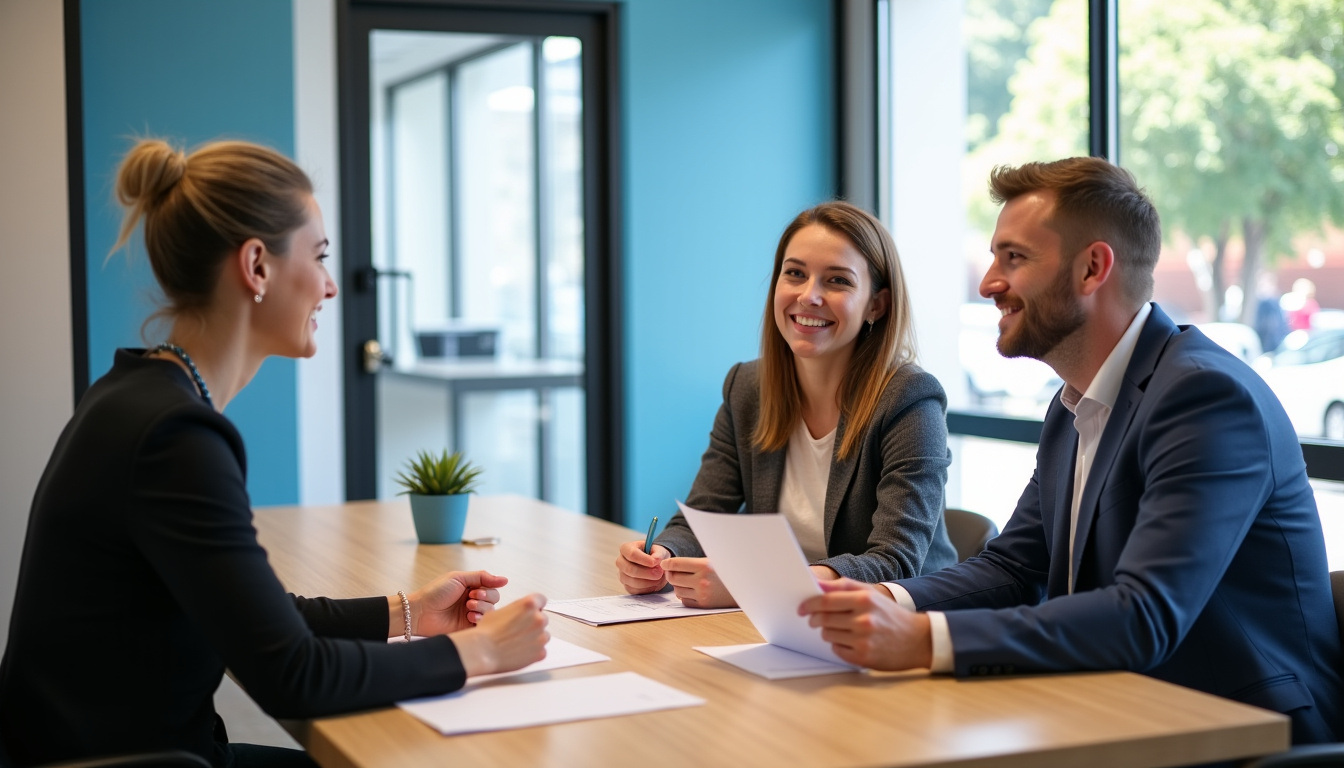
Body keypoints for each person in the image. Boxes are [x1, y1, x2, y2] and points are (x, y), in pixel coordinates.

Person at [0, 140, 550, 767]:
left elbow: (250, 615)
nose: (332, 286)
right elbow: (293, 674)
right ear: (256, 266)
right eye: (318, 256)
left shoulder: (136, 393)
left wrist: (409, 613)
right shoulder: (175, 436)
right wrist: (482, 653)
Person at [800, 158, 1344, 744]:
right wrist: (881, 597)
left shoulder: (1205, 397)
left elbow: (1143, 616)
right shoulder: (1074, 405)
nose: (987, 282)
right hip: (1119, 708)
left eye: (1015, 258)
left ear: (1092, 269)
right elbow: (1015, 566)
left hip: (1241, 731)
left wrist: (924, 639)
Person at [615, 201, 957, 608]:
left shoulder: (909, 400)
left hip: (902, 624)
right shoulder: (747, 388)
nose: (809, 296)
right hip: (792, 624)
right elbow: (704, 516)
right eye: (795, 274)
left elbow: (896, 562)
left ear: (876, 305)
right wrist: (662, 556)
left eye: (837, 281)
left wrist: (761, 584)